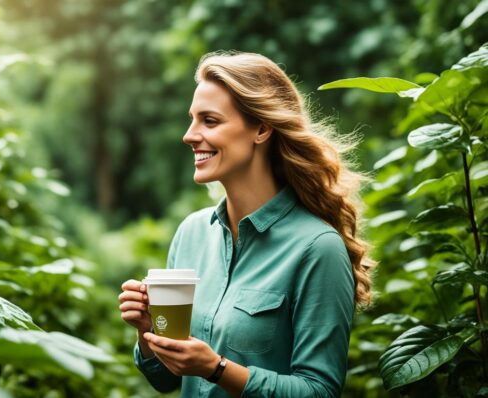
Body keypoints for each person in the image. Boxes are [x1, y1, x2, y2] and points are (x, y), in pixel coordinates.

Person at [118, 51, 375, 397]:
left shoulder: (317, 248)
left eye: (209, 121)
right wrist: (149, 335)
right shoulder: (191, 234)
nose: (189, 135)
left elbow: (320, 391)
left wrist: (216, 368)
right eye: (192, 120)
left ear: (262, 128)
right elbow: (167, 381)